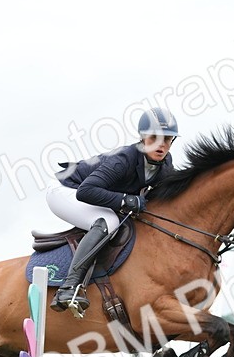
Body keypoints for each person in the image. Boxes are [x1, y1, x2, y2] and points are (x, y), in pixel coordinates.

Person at [49, 108, 178, 314]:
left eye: (168, 139)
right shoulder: (124, 158)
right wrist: (126, 199)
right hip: (66, 192)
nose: (161, 144)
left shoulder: (165, 164)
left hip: (90, 195)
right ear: (143, 137)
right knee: (108, 222)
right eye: (155, 137)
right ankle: (69, 287)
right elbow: (86, 191)